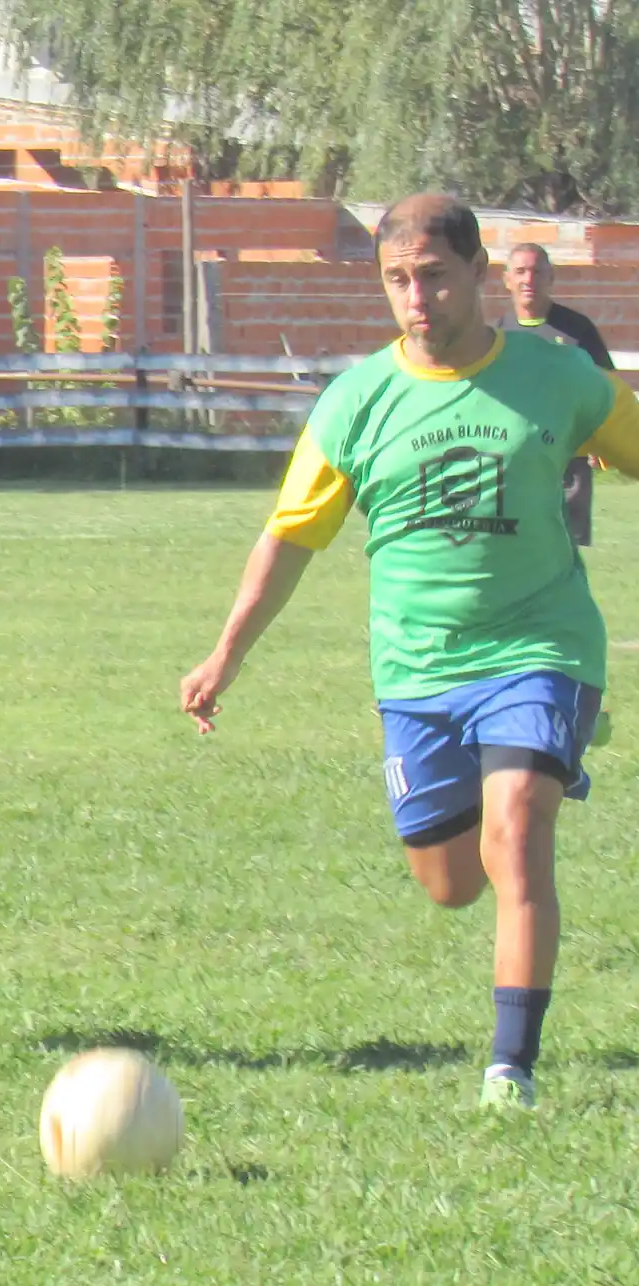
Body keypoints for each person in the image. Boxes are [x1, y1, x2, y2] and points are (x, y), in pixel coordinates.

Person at [180, 194, 639, 1110]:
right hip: (418, 673)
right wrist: (225, 654)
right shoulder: (356, 402)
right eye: (398, 280)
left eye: (434, 275)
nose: (418, 298)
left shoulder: (559, 378)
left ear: (478, 273)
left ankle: (510, 1070)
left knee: (518, 834)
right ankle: (544, 750)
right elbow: (291, 537)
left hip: (538, 646)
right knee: (451, 883)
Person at [499, 242, 616, 547]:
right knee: (516, 548)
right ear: (507, 279)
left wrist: (603, 439)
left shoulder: (577, 329)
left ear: (550, 277)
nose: (529, 279)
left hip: (569, 462)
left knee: (567, 549)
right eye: (520, 271)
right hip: (516, 462)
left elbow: (606, 386)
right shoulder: (496, 334)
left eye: (537, 272)